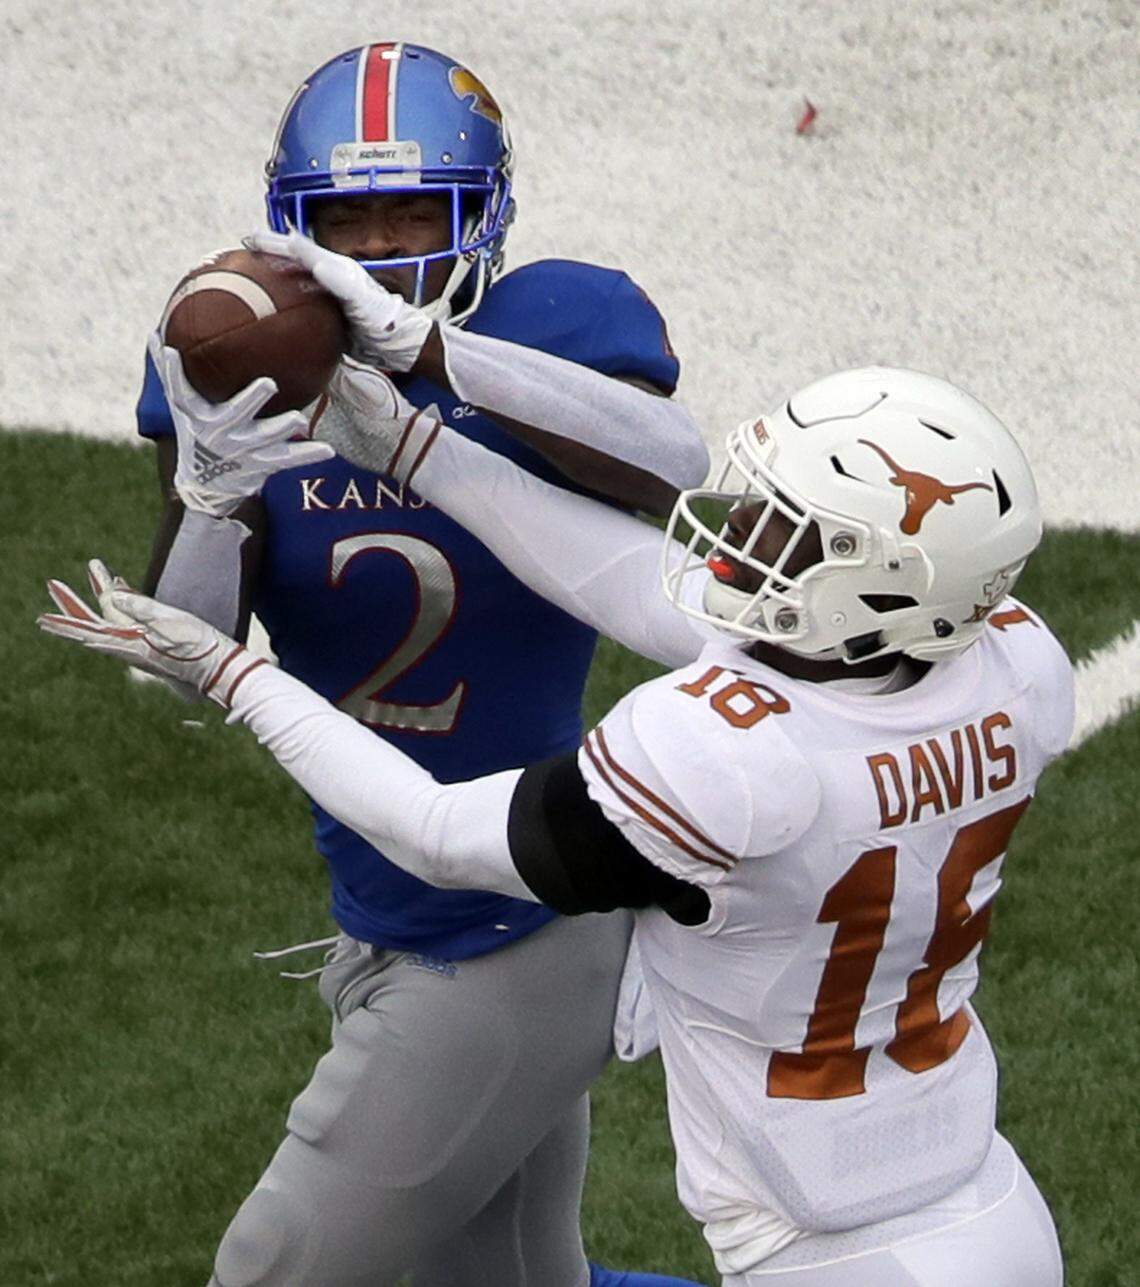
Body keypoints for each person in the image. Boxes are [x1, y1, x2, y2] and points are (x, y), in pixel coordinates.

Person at [44, 271, 1071, 1282]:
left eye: (790, 531)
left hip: (831, 1245)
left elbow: (437, 832)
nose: (745, 529)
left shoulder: (727, 754)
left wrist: (234, 674)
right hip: (977, 1188)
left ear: (878, 587)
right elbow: (626, 579)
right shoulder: (1014, 664)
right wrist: (409, 445)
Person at [132, 41, 708, 1287]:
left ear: (483, 212)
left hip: (515, 919)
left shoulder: (557, 328)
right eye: (349, 215)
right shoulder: (237, 355)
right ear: (294, 224)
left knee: (270, 1271)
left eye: (414, 211)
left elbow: (676, 472)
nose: (382, 244)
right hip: (388, 905)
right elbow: (181, 667)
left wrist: (433, 360)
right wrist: (211, 484)